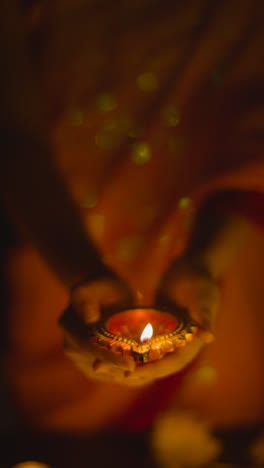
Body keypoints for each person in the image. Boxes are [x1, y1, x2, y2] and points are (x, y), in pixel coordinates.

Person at [1, 0, 264, 433]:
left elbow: (254, 128)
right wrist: (80, 272)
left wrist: (203, 260)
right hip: (60, 261)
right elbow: (14, 135)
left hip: (229, 288)